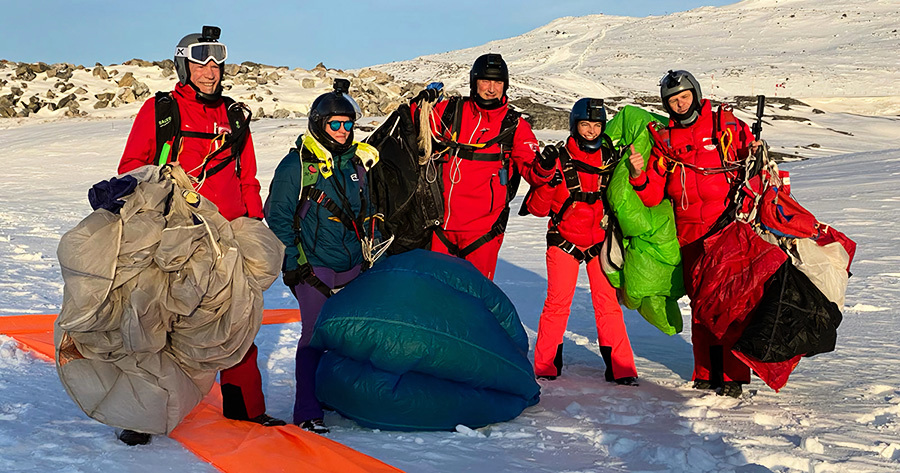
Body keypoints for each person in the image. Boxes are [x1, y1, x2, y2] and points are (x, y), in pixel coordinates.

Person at [117, 26, 283, 445]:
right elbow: (132, 166)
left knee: (236, 318)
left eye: (216, 63)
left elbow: (247, 176)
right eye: (200, 62)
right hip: (174, 237)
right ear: (183, 65)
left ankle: (245, 407)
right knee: (158, 321)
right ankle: (142, 415)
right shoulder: (162, 111)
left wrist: (253, 223)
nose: (210, 71)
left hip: (226, 237)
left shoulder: (234, 116)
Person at [626, 70, 761, 398]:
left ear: (695, 94)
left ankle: (733, 375)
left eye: (684, 96)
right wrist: (638, 175)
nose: (680, 103)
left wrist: (754, 155)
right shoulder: (665, 141)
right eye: (673, 100)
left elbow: (751, 169)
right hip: (689, 235)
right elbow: (653, 195)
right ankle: (705, 372)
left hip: (726, 230)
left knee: (729, 304)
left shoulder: (723, 126)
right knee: (701, 306)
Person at [265, 79, 381, 434]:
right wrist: (294, 262)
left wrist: (372, 234)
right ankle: (307, 410)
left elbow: (366, 208)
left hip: (352, 263)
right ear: (319, 124)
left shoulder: (356, 164)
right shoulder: (295, 165)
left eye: (349, 124)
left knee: (349, 335)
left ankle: (337, 396)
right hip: (312, 264)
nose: (344, 131)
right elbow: (278, 215)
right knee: (314, 335)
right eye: (335, 124)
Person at [525, 98, 638, 385]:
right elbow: (539, 209)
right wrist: (545, 174)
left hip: (599, 242)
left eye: (596, 125)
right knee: (557, 303)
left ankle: (621, 368)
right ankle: (545, 365)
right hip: (564, 241)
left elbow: (631, 197)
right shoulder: (559, 160)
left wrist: (637, 174)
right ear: (575, 127)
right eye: (585, 125)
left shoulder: (612, 160)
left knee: (608, 304)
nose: (590, 131)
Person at [422, 53, 556, 280]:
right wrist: (423, 101)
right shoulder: (449, 111)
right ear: (474, 82)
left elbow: (533, 172)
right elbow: (414, 125)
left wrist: (545, 166)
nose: (491, 88)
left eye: (498, 82)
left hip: (482, 233)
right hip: (439, 227)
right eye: (485, 81)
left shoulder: (515, 126)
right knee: (435, 298)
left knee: (475, 300)